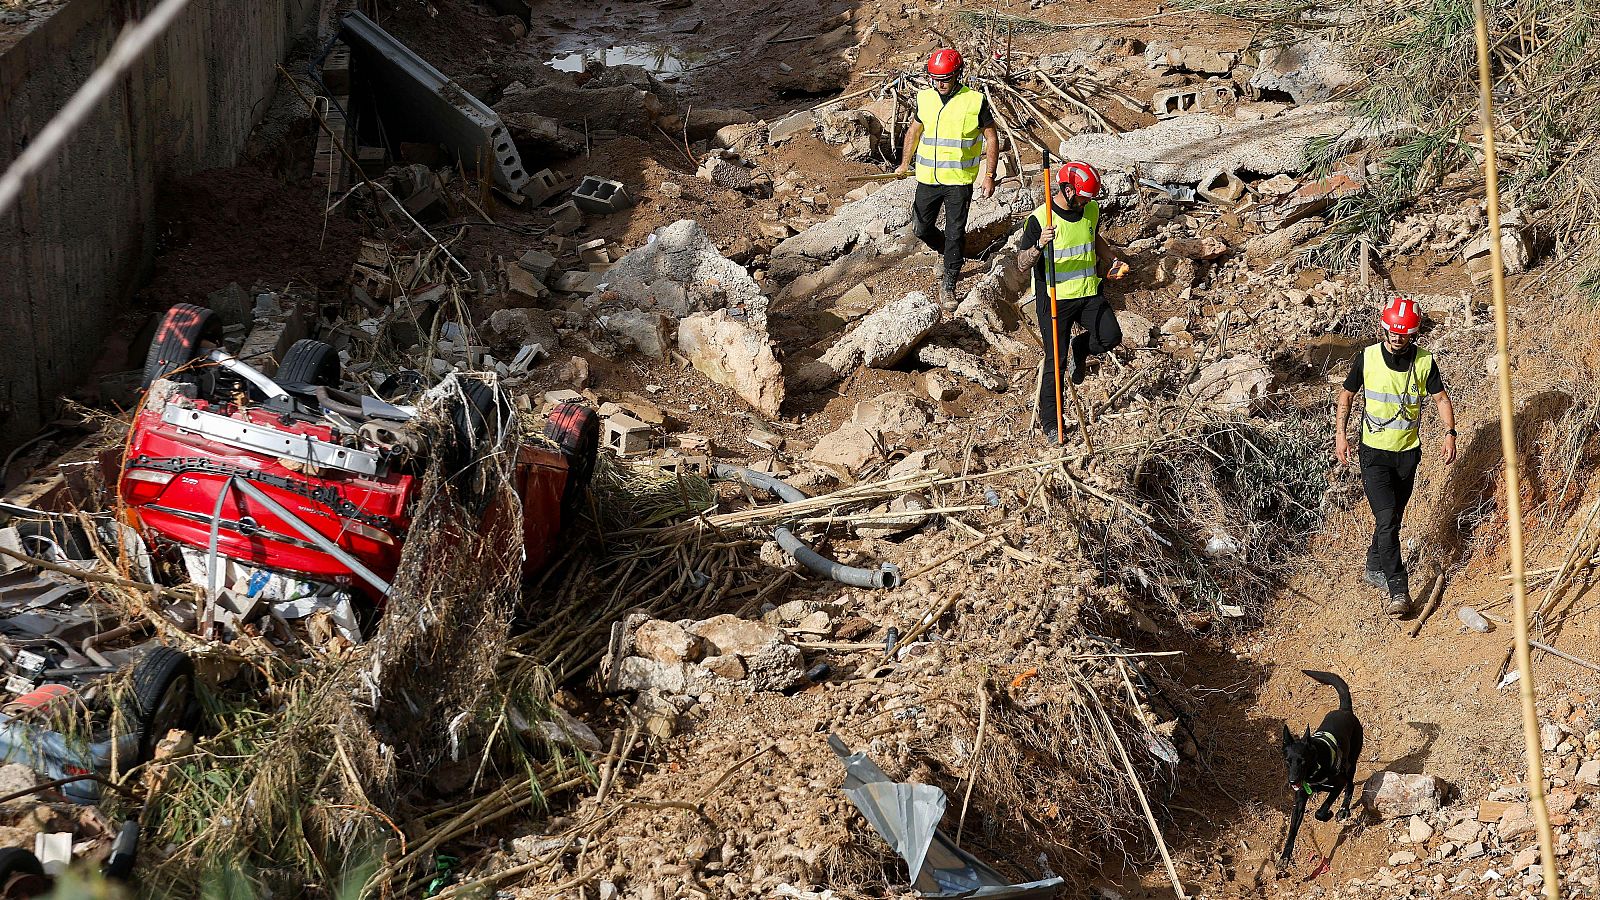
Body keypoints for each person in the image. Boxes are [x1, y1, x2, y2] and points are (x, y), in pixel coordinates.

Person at [1334, 295, 1457, 617]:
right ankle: (1398, 589)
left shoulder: (1425, 362)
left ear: (1414, 334)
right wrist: (1341, 435)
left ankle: (1374, 565)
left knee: (1393, 519)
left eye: (1404, 334)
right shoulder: (1367, 358)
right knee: (1387, 519)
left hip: (1407, 453)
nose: (1397, 338)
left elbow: (1441, 399)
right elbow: (1346, 397)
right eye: (1393, 332)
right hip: (1373, 453)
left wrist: (1449, 433)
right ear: (1384, 328)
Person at [1015, 160, 1129, 442]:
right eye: (1081, 196)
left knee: (1111, 336)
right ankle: (1052, 423)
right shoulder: (1040, 220)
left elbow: (1093, 237)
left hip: (1088, 292)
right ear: (1066, 189)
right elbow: (1020, 263)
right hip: (1055, 299)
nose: (1084, 202)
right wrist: (1039, 244)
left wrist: (1112, 260)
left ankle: (1081, 346)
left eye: (1088, 198)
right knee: (1057, 361)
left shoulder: (1089, 209)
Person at [893, 48, 999, 307]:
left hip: (959, 181)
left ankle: (949, 283)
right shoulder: (926, 98)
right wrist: (904, 163)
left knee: (955, 233)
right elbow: (914, 131)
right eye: (935, 79)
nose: (939, 84)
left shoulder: (974, 101)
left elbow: (991, 137)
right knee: (921, 228)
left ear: (958, 75)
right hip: (928, 177)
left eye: (945, 79)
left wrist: (989, 175)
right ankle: (947, 253)